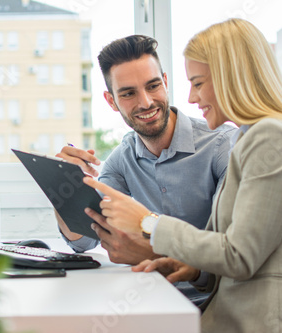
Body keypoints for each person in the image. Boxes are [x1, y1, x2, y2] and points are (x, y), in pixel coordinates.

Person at [83, 19, 282, 333]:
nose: (189, 98)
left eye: (198, 83)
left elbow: (239, 257)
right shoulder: (248, 138)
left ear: (232, 78)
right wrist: (189, 268)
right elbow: (236, 255)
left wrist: (148, 223)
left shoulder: (272, 138)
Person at [55, 35, 236, 266]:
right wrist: (63, 184)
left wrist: (151, 241)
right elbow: (83, 240)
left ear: (166, 82)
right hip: (153, 294)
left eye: (153, 86)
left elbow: (232, 250)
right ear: (111, 101)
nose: (146, 102)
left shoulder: (223, 146)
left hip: (211, 298)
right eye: (128, 93)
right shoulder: (122, 159)